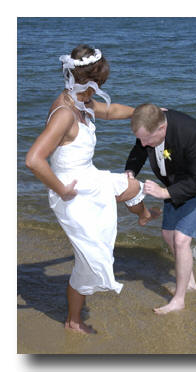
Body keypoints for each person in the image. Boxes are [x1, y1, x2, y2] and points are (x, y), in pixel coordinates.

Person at [25, 45, 159, 334]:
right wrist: (61, 189)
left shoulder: (79, 101)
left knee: (131, 184)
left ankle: (144, 215)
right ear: (89, 81)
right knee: (90, 261)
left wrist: (142, 112)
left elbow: (109, 111)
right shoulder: (65, 113)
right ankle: (73, 322)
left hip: (88, 178)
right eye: (100, 84)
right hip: (73, 193)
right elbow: (34, 160)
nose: (100, 89)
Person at [125, 103, 196, 314]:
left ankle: (179, 300)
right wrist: (130, 171)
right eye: (140, 138)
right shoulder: (151, 124)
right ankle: (190, 281)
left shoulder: (191, 133)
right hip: (176, 183)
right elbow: (138, 150)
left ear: (162, 129)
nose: (143, 143)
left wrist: (165, 193)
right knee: (168, 235)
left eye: (147, 139)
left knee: (181, 239)